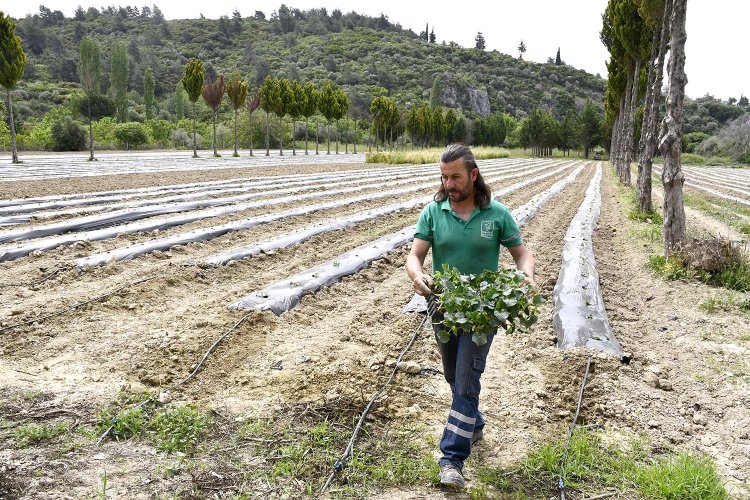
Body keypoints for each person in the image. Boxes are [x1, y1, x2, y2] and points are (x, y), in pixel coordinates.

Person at [405, 144, 536, 490]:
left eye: (456, 177)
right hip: (443, 305)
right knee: (452, 374)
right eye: (444, 177)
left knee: (465, 380)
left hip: (482, 311)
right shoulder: (434, 212)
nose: (449, 183)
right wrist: (418, 276)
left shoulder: (497, 214)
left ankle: (452, 459)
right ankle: (473, 421)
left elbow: (522, 254)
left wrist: (526, 276)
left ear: (473, 175)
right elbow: (415, 255)